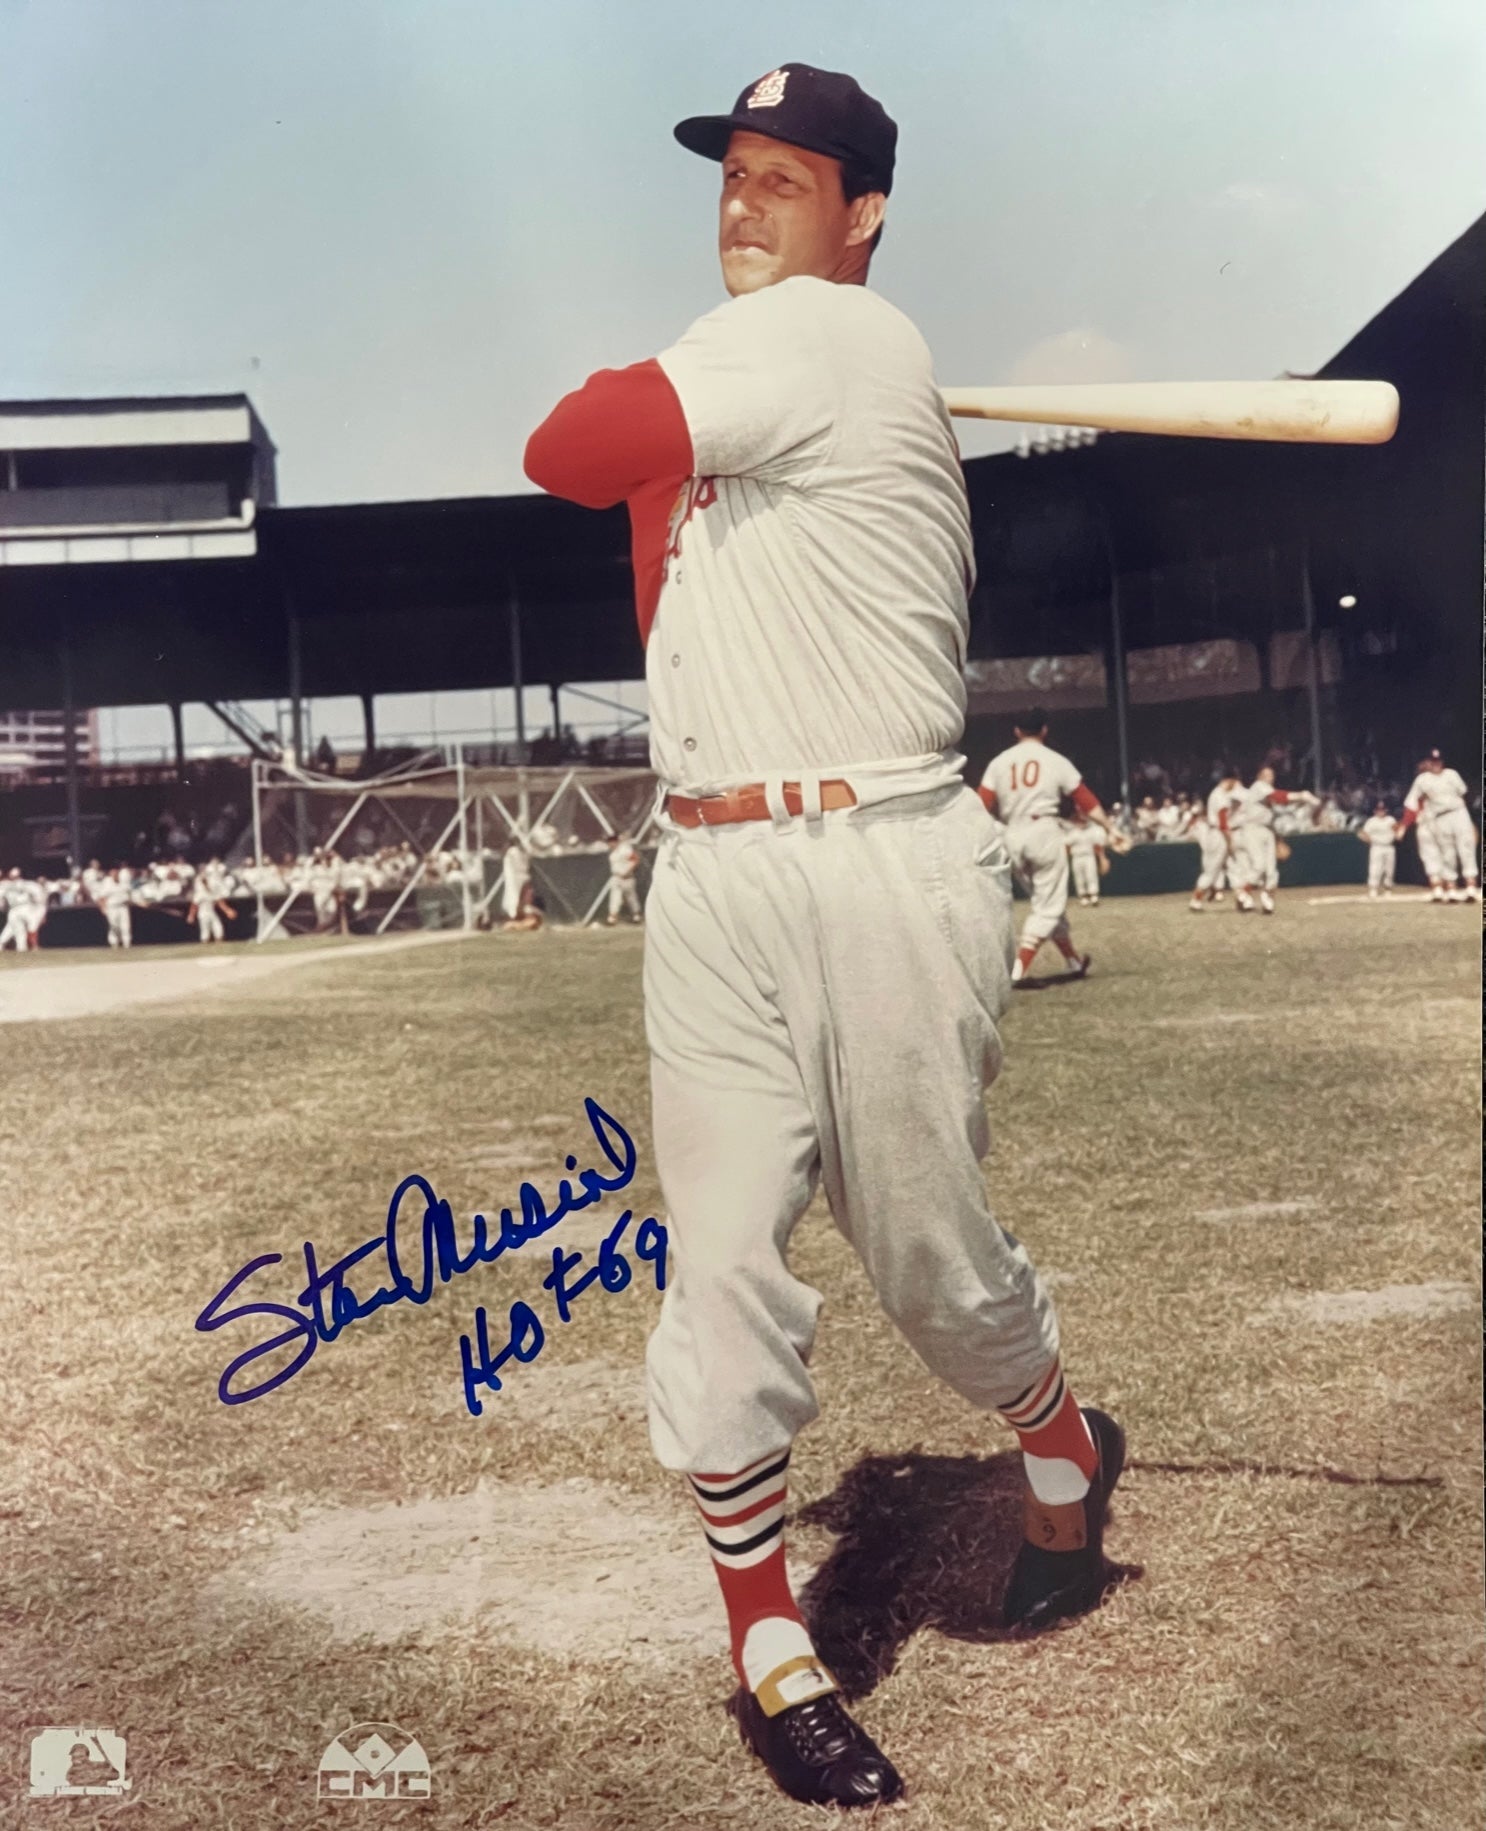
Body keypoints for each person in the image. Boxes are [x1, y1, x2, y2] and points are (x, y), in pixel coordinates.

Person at [524, 62, 1125, 1809]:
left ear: (860, 216)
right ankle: (770, 1647)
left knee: (929, 1263)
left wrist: (675, 408)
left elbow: (566, 442)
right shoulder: (785, 389)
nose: (744, 202)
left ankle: (1059, 1446)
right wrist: (679, 456)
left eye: (788, 180)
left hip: (878, 855)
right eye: (733, 174)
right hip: (711, 871)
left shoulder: (834, 339)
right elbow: (648, 556)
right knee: (718, 1262)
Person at [980, 710, 1125, 984]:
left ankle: (1073, 961)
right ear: (1044, 731)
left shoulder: (999, 762)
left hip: (1011, 833)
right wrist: (1110, 827)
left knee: (1045, 902)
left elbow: (982, 804)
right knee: (1047, 906)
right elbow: (1085, 799)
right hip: (1043, 831)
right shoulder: (1055, 760)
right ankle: (1016, 971)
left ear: (1017, 731)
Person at [1232, 767, 1317, 914]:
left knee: (1271, 870)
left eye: (1272, 775)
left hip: (1267, 830)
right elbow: (1278, 797)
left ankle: (1267, 899)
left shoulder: (1267, 792)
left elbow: (1279, 806)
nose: (1270, 777)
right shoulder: (1258, 786)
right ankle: (1242, 892)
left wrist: (1278, 838)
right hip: (1252, 828)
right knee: (1259, 866)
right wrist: (1302, 795)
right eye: (1266, 775)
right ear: (1259, 776)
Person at [1398, 750, 1480, 902]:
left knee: (1466, 848)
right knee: (1447, 852)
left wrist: (1469, 820)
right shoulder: (1423, 780)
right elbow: (1412, 802)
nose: (1436, 764)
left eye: (1438, 761)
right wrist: (1405, 824)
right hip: (1439, 817)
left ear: (1442, 762)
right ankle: (1451, 888)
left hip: (1457, 812)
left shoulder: (1451, 775)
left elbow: (1463, 793)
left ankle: (1471, 886)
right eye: (1432, 761)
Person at [1189, 767, 1243, 912]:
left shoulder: (1220, 793)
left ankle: (1241, 898)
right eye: (1235, 781)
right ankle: (1196, 899)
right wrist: (1229, 840)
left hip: (1219, 833)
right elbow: (1223, 821)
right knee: (1212, 870)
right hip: (1218, 835)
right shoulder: (1219, 795)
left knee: (1233, 867)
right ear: (1230, 780)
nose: (1235, 784)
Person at [1063, 808, 1106, 906]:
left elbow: (1097, 846)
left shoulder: (1092, 830)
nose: (1082, 821)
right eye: (1080, 819)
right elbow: (1067, 845)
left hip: (1088, 856)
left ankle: (1094, 896)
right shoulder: (1073, 832)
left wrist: (1102, 858)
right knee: (1079, 877)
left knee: (1091, 876)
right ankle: (1083, 896)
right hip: (1077, 857)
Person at [1357, 801, 1398, 899]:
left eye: (1383, 810)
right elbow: (1362, 833)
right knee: (1375, 868)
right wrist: (1370, 840)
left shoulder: (1390, 820)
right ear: (1375, 811)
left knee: (1389, 869)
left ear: (1386, 810)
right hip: (1377, 847)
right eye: (1379, 810)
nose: (1381, 812)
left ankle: (1388, 889)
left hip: (1389, 846)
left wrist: (1397, 834)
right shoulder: (1371, 821)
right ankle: (1373, 889)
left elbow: (1397, 829)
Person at [604, 831, 644, 925]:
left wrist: (628, 871)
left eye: (612, 842)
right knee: (615, 898)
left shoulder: (625, 849)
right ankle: (612, 918)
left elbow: (636, 859)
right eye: (609, 842)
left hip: (627, 878)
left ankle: (636, 916)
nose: (610, 844)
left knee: (631, 898)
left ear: (616, 842)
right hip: (616, 877)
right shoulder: (612, 853)